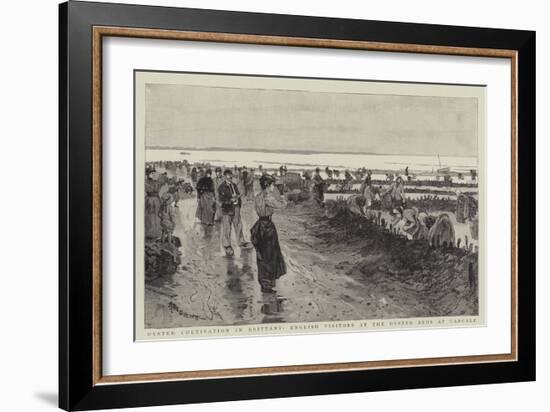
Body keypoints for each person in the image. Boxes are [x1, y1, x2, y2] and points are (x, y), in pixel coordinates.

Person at [250, 174, 287, 293]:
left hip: (259, 226)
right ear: (267, 185)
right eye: (272, 185)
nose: (273, 187)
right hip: (267, 227)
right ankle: (268, 284)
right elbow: (282, 205)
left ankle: (264, 283)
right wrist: (282, 195)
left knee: (261, 256)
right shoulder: (267, 197)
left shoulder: (258, 196)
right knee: (270, 255)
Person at [218, 169, 251, 256]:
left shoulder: (234, 185)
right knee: (227, 228)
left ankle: (241, 242)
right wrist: (230, 200)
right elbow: (221, 201)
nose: (230, 177)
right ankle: (227, 245)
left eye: (231, 175)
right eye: (228, 175)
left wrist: (238, 203)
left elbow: (238, 195)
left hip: (236, 208)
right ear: (224, 176)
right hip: (227, 210)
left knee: (239, 225)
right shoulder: (221, 187)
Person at [145, 171, 162, 239]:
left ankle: (152, 232)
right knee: (152, 216)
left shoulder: (148, 183)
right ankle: (152, 233)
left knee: (152, 215)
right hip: (153, 200)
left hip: (150, 199)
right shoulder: (156, 184)